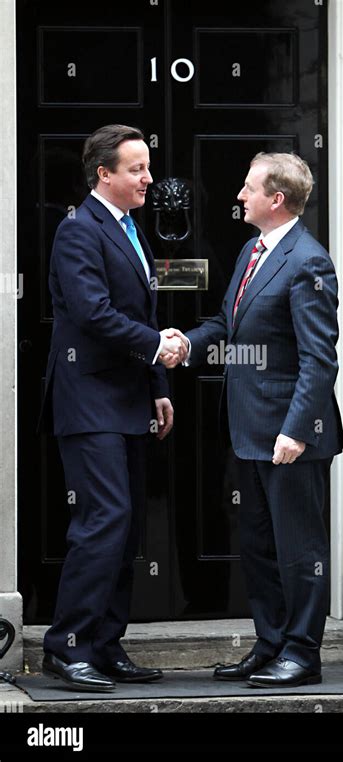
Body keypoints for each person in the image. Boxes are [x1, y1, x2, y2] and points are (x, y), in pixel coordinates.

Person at [162, 153, 343, 687]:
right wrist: (184, 344)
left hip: (291, 436)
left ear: (277, 199)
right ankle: (270, 644)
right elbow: (225, 322)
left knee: (300, 550)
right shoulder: (252, 251)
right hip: (248, 433)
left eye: (248, 188)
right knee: (259, 549)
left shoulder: (308, 261)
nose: (239, 196)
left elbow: (319, 358)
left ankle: (302, 654)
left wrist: (294, 430)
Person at [39, 124, 186, 692]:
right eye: (137, 169)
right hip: (90, 400)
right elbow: (93, 313)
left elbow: (140, 315)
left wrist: (158, 386)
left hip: (127, 401)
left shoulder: (128, 228)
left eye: (147, 167)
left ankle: (104, 644)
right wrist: (157, 347)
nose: (149, 178)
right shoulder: (78, 230)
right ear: (105, 174)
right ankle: (65, 646)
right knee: (103, 521)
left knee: (126, 532)